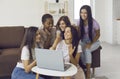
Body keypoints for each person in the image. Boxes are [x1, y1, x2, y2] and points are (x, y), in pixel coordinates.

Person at [78, 5, 100, 79]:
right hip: (84, 41)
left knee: (87, 50)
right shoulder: (79, 21)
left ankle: (88, 72)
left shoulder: (94, 23)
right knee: (79, 49)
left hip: (94, 41)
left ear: (89, 13)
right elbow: (78, 34)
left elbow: (98, 35)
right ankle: (85, 66)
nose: (83, 15)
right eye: (81, 12)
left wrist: (90, 43)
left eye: (85, 13)